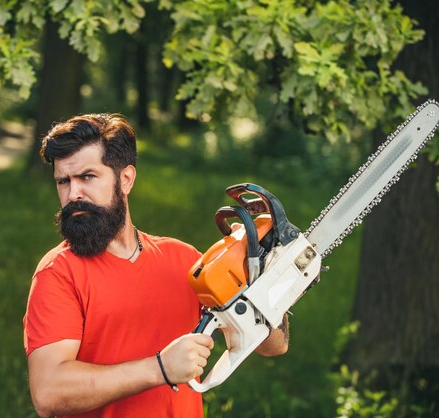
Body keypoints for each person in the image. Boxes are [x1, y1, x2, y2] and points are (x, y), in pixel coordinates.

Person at [22, 113, 289, 418]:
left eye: (87, 177)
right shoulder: (58, 273)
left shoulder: (185, 261)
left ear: (125, 179)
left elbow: (272, 346)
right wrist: (159, 368)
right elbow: (48, 392)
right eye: (63, 181)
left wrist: (265, 285)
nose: (73, 194)